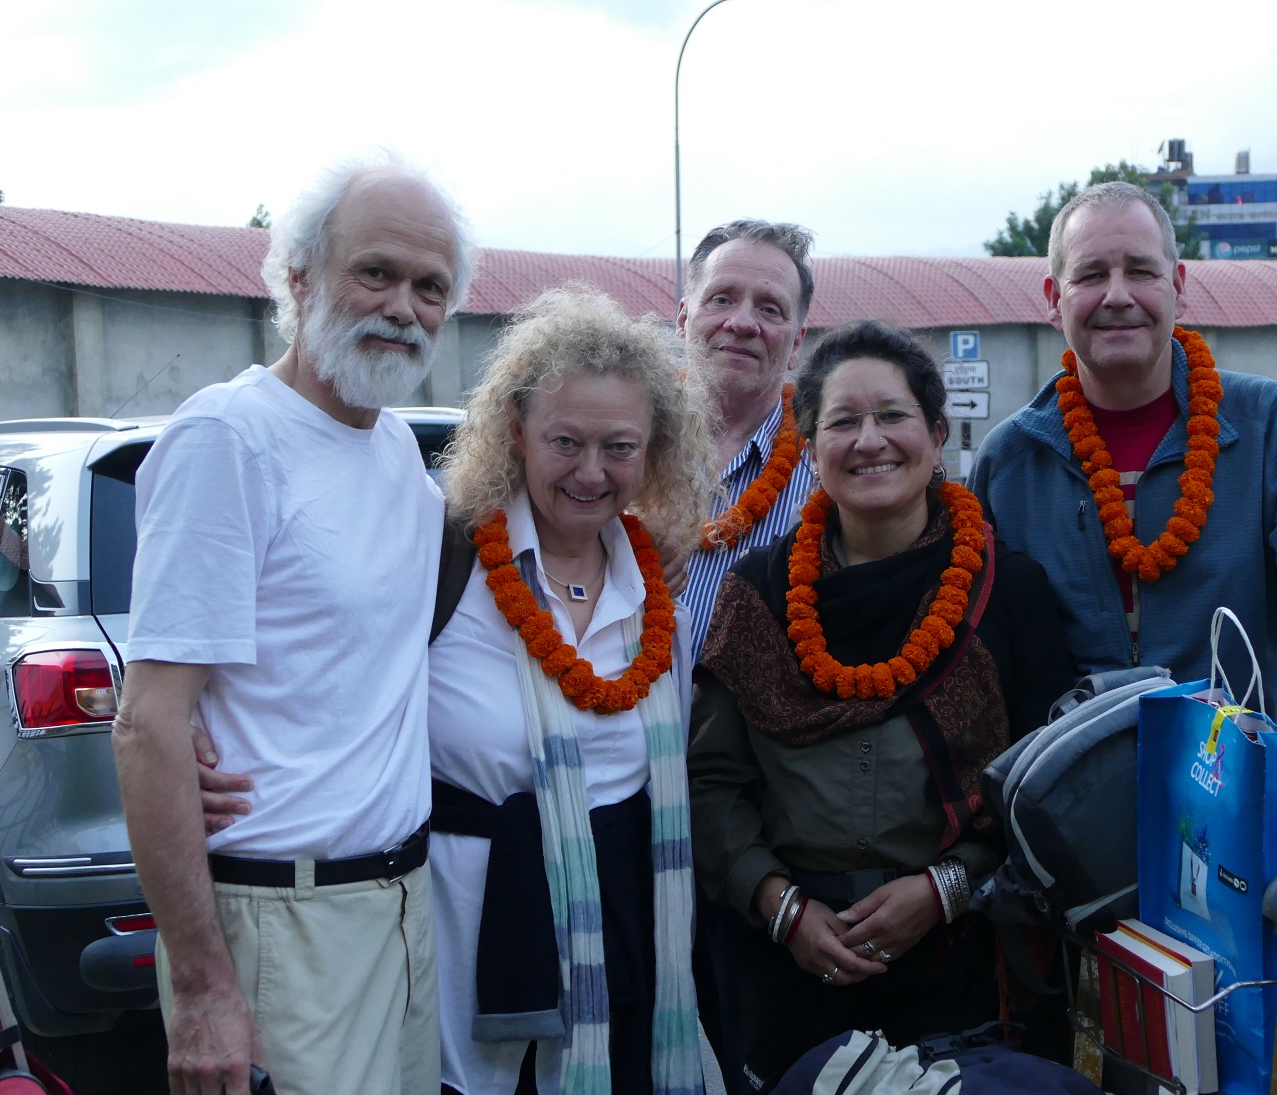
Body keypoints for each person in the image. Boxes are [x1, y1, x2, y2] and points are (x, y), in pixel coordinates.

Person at [112, 154, 475, 1095]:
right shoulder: (227, 438)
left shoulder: (397, 449)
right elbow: (148, 720)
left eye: (430, 286)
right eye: (377, 271)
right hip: (281, 925)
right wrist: (201, 989)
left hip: (402, 915)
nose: (403, 305)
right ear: (301, 277)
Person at [968, 181, 1277, 866]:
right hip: (1063, 847)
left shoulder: (1270, 430)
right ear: (1055, 301)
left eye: (1140, 270)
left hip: (1232, 826)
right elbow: (975, 670)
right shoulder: (1010, 461)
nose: (1118, 293)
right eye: (1091, 274)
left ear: (1178, 286)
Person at [688, 319, 1077, 1092]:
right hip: (783, 967)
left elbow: (1047, 792)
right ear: (811, 445)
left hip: (960, 967)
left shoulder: (1008, 593)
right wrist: (781, 907)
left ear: (937, 436)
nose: (870, 440)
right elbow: (711, 783)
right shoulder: (759, 592)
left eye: (893, 416)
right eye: (843, 421)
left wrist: (946, 888)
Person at [429, 287, 717, 1095]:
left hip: (634, 918)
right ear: (515, 431)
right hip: (478, 921)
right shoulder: (445, 559)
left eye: (619, 446)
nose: (592, 472)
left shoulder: (656, 578)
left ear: (654, 448)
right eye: (566, 441)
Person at [677, 219, 820, 663]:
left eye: (770, 309)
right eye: (722, 299)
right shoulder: (616, 445)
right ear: (683, 319)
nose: (741, 323)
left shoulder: (829, 473)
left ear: (796, 343)